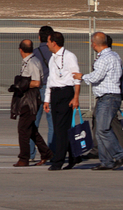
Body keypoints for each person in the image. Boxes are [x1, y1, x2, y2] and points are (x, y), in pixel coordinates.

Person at [73, 32, 123, 170]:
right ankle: (106, 161)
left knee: (103, 129)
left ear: (95, 44)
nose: (91, 45)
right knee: (98, 131)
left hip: (108, 97)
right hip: (108, 96)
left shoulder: (104, 58)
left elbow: (96, 76)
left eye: (92, 43)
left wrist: (82, 76)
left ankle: (120, 153)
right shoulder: (115, 55)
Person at [44, 31, 80, 171]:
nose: (46, 44)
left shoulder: (70, 56)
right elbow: (50, 80)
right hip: (55, 94)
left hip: (66, 93)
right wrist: (47, 99)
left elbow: (77, 78)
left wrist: (75, 97)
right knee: (61, 128)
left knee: (60, 130)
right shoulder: (52, 58)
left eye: (48, 41)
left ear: (54, 42)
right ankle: (74, 156)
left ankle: (58, 161)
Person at [12, 39, 51, 167]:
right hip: (26, 98)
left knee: (23, 129)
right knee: (31, 129)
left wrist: (22, 84)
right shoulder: (27, 61)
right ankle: (46, 153)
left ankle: (24, 158)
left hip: (30, 99)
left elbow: (37, 82)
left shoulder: (32, 62)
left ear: (20, 50)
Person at [30, 25, 54, 161]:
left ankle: (31, 153)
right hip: (51, 89)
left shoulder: (34, 53)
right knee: (52, 124)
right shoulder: (55, 53)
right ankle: (52, 152)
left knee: (33, 123)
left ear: (39, 37)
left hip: (37, 89)